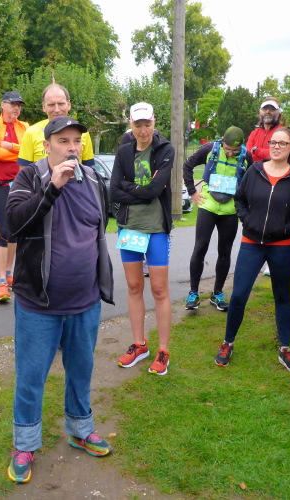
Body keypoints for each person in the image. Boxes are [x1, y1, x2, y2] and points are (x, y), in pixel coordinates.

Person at [6, 116, 114, 483]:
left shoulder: (95, 179)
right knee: (31, 376)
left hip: (85, 300)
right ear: (47, 144)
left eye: (76, 141)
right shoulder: (29, 177)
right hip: (38, 303)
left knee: (81, 371)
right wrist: (52, 187)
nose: (72, 147)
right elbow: (14, 224)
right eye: (63, 140)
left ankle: (81, 429)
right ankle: (25, 444)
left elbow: (98, 228)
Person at [215, 128, 290, 371]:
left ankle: (285, 349)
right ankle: (227, 342)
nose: (276, 147)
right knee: (239, 295)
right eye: (273, 142)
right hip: (252, 244)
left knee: (282, 296)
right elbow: (239, 199)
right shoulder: (255, 170)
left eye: (282, 143)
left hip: (282, 246)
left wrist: (287, 227)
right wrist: (248, 221)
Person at [110, 103, 174, 374]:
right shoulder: (124, 151)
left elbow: (155, 191)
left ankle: (163, 350)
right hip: (129, 228)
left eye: (147, 124)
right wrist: (141, 190)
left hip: (156, 228)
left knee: (159, 290)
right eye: (138, 125)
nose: (143, 130)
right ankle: (139, 344)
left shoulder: (166, 149)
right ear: (131, 124)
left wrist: (130, 187)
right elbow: (113, 190)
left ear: (154, 122)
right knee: (134, 286)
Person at [183, 127, 253, 312]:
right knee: (200, 247)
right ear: (222, 141)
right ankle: (193, 293)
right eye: (227, 149)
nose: (230, 153)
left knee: (225, 251)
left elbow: (252, 180)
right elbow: (187, 165)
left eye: (234, 152)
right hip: (208, 206)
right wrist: (192, 191)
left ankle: (217, 294)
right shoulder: (210, 149)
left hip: (230, 210)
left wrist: (244, 204)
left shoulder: (246, 156)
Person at [0, 91, 29, 303]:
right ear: (3, 105)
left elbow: (28, 152)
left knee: (16, 230)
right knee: (3, 231)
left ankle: (10, 274)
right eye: (13, 104)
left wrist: (10, 146)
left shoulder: (25, 127)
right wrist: (17, 152)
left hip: (21, 184)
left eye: (19, 105)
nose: (16, 108)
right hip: (0, 184)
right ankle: (2, 281)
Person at [18, 83, 96, 168]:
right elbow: (23, 171)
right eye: (51, 105)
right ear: (44, 107)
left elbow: (89, 170)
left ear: (69, 105)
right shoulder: (31, 132)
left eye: (61, 104)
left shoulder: (83, 133)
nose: (57, 110)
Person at [246, 97, 282, 163]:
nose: (268, 112)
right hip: (254, 168)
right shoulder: (254, 133)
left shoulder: (283, 133)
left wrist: (256, 150)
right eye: (265, 109)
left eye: (272, 109)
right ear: (260, 112)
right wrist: (268, 153)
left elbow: (280, 154)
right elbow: (248, 155)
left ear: (278, 113)